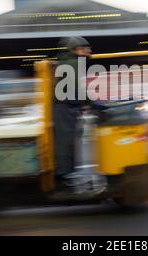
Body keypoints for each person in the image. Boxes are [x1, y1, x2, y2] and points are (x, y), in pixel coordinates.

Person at [52, 36, 92, 191]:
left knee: (66, 142)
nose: (89, 50)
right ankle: (63, 178)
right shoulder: (73, 63)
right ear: (74, 50)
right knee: (65, 143)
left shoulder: (69, 62)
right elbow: (79, 89)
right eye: (85, 47)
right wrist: (91, 103)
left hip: (65, 107)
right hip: (63, 108)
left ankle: (66, 175)